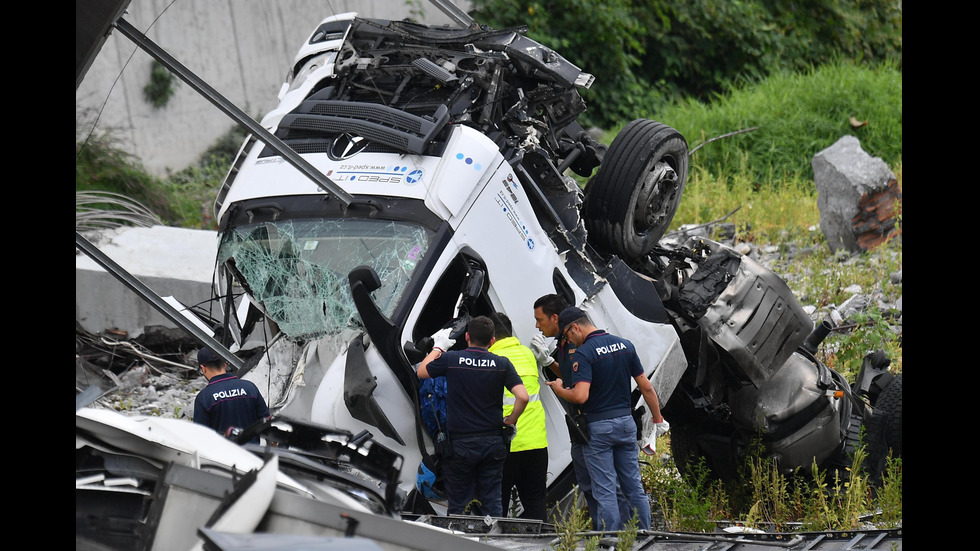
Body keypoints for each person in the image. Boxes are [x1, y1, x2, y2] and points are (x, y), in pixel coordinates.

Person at [544, 307, 668, 532]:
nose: (569, 340)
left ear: (575, 327)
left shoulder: (584, 353)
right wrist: (658, 419)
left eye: (567, 335)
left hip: (598, 429)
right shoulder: (625, 345)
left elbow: (580, 395)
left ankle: (612, 539)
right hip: (626, 424)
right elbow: (646, 387)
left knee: (605, 490)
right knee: (633, 487)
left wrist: (560, 388)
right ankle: (644, 535)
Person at [530, 294, 631, 529]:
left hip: (595, 424)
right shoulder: (564, 344)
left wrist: (559, 387)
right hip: (579, 427)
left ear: (555, 318)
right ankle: (600, 532)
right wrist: (548, 362)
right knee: (588, 484)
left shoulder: (580, 342)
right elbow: (573, 376)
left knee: (606, 486)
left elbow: (581, 387)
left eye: (539, 319)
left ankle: (623, 534)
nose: (537, 325)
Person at [417, 315, 529, 517]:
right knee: (493, 503)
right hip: (493, 443)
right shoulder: (502, 363)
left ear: (467, 336)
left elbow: (422, 372)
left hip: (460, 446)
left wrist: (439, 348)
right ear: (492, 340)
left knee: (458, 504)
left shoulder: (452, 359)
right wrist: (511, 421)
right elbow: (523, 397)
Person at [489, 312, 549, 522]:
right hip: (536, 444)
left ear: (492, 338)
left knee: (498, 505)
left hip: (506, 445)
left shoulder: (491, 360)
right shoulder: (527, 353)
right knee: (535, 503)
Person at [193, 345, 271, 444]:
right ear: (225, 364)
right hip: (253, 456)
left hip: (224, 457)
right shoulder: (250, 388)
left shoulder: (204, 397)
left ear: (203, 368)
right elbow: (267, 423)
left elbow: (201, 435)